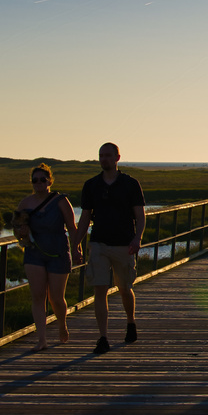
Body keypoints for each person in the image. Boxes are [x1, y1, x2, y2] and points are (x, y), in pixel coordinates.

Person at [74, 142, 146, 355]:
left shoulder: (130, 184)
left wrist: (137, 238)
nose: (103, 159)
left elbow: (140, 216)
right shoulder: (91, 185)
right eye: (101, 155)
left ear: (117, 157)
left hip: (124, 244)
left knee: (124, 288)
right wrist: (76, 243)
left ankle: (131, 322)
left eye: (107, 155)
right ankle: (103, 337)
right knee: (100, 289)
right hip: (99, 244)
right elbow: (85, 217)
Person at [15, 163, 81, 350]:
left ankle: (62, 325)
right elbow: (17, 229)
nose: (38, 183)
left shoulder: (60, 201)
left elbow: (72, 227)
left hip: (58, 252)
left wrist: (76, 249)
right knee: (37, 296)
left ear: (49, 181)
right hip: (34, 253)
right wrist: (22, 230)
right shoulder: (25, 203)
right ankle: (41, 339)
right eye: (35, 180)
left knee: (56, 298)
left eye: (42, 180)